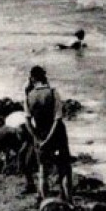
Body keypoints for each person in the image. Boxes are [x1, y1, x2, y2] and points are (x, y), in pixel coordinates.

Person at [23, 67, 72, 200]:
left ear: (32, 78)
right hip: (57, 134)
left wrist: (37, 139)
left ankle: (45, 202)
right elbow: (57, 119)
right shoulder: (53, 92)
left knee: (42, 170)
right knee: (64, 168)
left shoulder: (29, 96)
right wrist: (49, 139)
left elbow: (27, 122)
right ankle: (69, 201)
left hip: (40, 133)